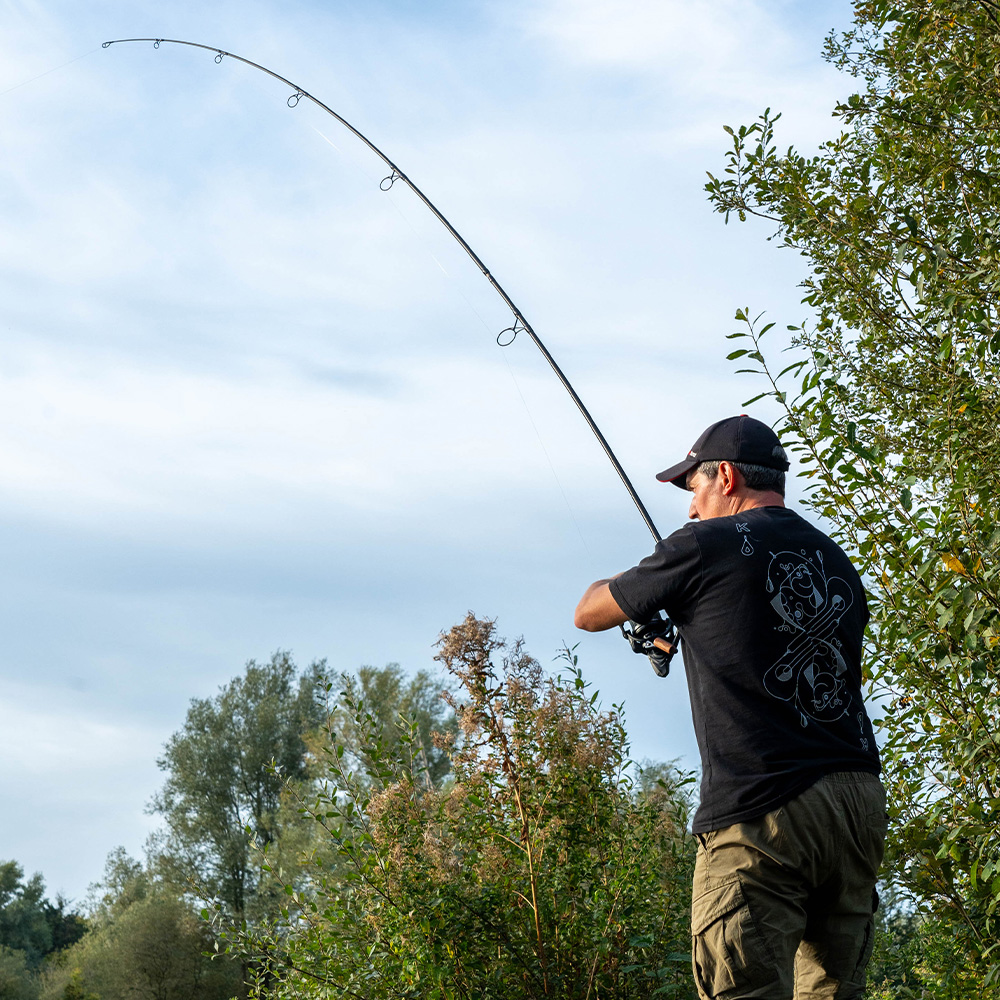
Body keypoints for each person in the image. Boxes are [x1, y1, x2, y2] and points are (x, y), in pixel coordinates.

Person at [575, 414, 885, 1000]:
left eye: (693, 488)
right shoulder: (835, 559)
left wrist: (654, 580)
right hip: (857, 802)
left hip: (763, 804)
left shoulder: (701, 544)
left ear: (725, 476)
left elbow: (589, 612)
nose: (691, 508)